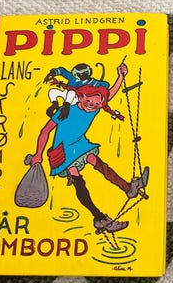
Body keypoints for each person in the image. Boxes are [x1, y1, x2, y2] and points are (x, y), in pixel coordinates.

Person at [30, 63, 148, 234]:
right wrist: (37, 154)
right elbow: (45, 131)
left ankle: (128, 188)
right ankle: (99, 218)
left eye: (97, 103)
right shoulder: (66, 111)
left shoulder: (94, 108)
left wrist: (120, 76)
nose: (92, 105)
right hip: (63, 150)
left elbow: (110, 93)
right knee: (78, 180)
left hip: (79, 144)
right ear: (80, 96)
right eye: (88, 101)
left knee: (99, 164)